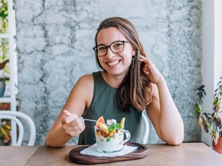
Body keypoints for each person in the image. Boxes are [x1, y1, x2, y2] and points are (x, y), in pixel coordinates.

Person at [45, 17, 184, 147]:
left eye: (118, 45)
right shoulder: (86, 84)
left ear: (134, 49)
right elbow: (50, 140)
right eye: (102, 48)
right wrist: (67, 130)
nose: (109, 55)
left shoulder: (145, 85)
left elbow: (175, 138)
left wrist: (160, 82)